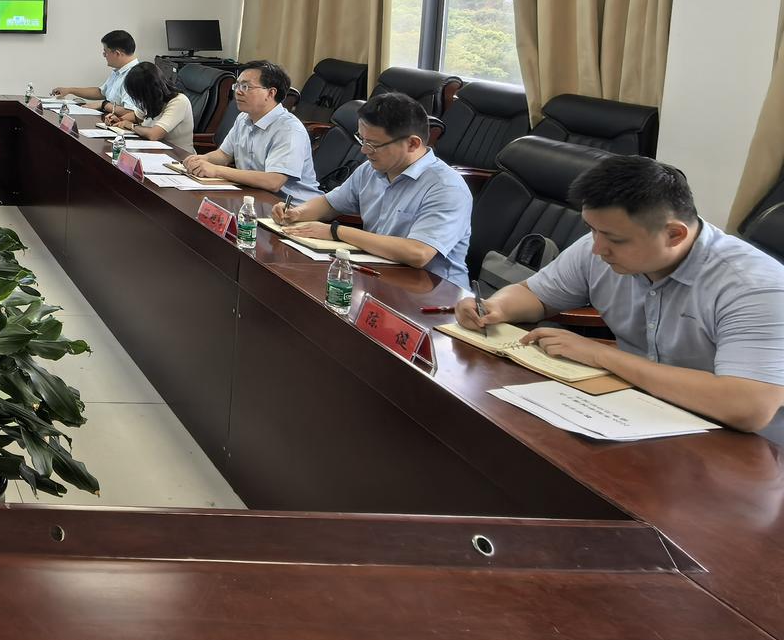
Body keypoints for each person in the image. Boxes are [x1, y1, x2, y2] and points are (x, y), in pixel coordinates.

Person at [459, 156, 784, 440]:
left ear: (674, 234)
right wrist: (494, 307)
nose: (598, 248)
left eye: (614, 239)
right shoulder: (599, 247)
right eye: (592, 230)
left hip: (743, 446)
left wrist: (601, 355)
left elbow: (748, 406)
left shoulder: (754, 287)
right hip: (636, 410)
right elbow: (535, 294)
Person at [271, 91, 472, 286]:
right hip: (379, 273)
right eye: (362, 139)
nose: (364, 150)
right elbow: (330, 203)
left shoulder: (446, 188)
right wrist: (297, 213)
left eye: (373, 144)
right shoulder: (370, 169)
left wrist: (336, 231)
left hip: (434, 290)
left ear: (412, 144)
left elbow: (418, 253)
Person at [180, 59, 318, 204]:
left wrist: (216, 170)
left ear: (270, 93)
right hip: (252, 196)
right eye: (237, 86)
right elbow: (224, 155)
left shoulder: (289, 130)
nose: (238, 92)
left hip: (291, 207)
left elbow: (273, 181)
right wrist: (202, 160)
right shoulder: (243, 118)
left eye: (246, 87)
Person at [106, 60, 195, 155]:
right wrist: (118, 120)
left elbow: (154, 134)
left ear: (149, 91)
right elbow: (136, 116)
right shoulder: (151, 99)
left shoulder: (179, 101)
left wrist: (131, 126)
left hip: (177, 156)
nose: (138, 99)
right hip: (152, 150)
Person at [51, 29, 138, 109]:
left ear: (117, 54)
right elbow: (101, 92)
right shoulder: (118, 71)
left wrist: (103, 105)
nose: (104, 55)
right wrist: (69, 90)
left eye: (105, 52)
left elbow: (132, 113)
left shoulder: (136, 76)